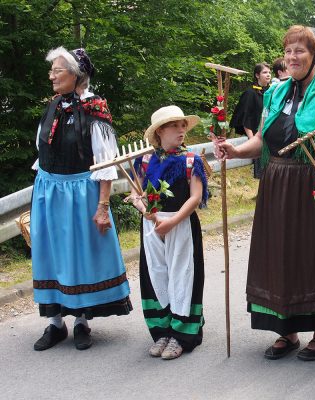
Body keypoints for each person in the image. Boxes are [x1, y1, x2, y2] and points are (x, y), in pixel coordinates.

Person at [218, 25, 315, 361]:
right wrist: (235, 151)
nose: (293, 57)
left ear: (314, 55)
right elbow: (262, 141)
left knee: (314, 260)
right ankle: (287, 331)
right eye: (289, 51)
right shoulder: (274, 93)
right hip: (276, 186)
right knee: (280, 256)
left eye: (301, 51)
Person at [30, 47, 132, 351]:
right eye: (52, 71)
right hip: (49, 191)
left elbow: (106, 164)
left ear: (77, 74)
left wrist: (102, 207)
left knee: (81, 256)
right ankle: (55, 323)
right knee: (52, 255)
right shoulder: (53, 106)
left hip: (81, 193)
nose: (51, 76)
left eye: (57, 70)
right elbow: (41, 153)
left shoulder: (94, 109)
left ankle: (82, 321)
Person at [128, 105, 209, 360]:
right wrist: (145, 210)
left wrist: (172, 221)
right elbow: (134, 194)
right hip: (152, 226)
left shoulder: (191, 161)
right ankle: (162, 330)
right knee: (156, 275)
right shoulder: (142, 161)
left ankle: (183, 334)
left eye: (183, 125)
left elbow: (195, 198)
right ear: (160, 131)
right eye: (175, 125)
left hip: (180, 223)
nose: (181, 130)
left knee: (183, 274)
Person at [230, 63, 271, 178]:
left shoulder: (271, 92)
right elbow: (246, 117)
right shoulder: (250, 93)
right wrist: (252, 138)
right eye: (265, 72)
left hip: (268, 134)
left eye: (269, 72)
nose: (268, 75)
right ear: (257, 75)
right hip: (255, 135)